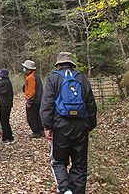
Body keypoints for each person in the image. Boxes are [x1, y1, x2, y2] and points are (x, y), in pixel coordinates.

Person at [40, 52, 97, 194]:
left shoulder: (53, 78)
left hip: (60, 127)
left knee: (58, 161)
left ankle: (65, 190)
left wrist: (47, 126)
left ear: (58, 64)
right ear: (72, 64)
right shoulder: (82, 78)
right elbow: (91, 104)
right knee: (79, 165)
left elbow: (47, 104)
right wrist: (90, 125)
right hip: (81, 126)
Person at [22, 60, 44, 138]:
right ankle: (41, 131)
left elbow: (32, 91)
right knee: (37, 116)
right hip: (38, 100)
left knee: (31, 118)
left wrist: (29, 101)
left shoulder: (31, 77)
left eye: (25, 68)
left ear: (29, 69)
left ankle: (36, 132)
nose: (24, 69)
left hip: (34, 101)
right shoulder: (35, 75)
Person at [0, 68, 15, 144]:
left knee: (4, 122)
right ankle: (10, 137)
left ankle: (5, 138)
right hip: (7, 104)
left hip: (4, 105)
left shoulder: (4, 83)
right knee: (6, 121)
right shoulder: (7, 82)